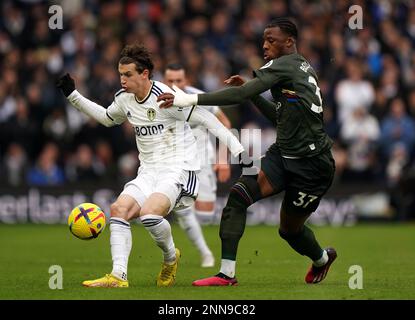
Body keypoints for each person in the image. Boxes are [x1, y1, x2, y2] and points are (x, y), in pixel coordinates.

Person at [158, 18, 337, 286]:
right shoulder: (297, 66)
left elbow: (238, 96)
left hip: (313, 165)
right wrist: (252, 93)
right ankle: (226, 274)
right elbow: (279, 117)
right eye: (264, 40)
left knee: (289, 230)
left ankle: (322, 259)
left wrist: (188, 98)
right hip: (283, 154)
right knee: (238, 195)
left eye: (271, 40)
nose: (265, 45)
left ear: (289, 42)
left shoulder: (283, 65)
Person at [56, 44, 245, 288]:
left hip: (179, 168)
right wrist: (73, 95)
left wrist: (236, 148)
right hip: (148, 171)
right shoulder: (124, 100)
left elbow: (207, 118)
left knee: (149, 214)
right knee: (118, 209)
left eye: (128, 75)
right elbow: (106, 117)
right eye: (120, 74)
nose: (122, 80)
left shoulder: (167, 98)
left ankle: (169, 258)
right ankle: (118, 276)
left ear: (144, 74)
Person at [164, 63, 232, 268]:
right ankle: (205, 254)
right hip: (174, 163)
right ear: (164, 80)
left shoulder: (199, 98)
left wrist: (222, 158)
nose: (175, 84)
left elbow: (225, 123)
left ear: (186, 81)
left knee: (205, 214)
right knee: (183, 212)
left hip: (202, 162)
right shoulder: (156, 99)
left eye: (179, 80)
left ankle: (189, 211)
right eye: (170, 80)